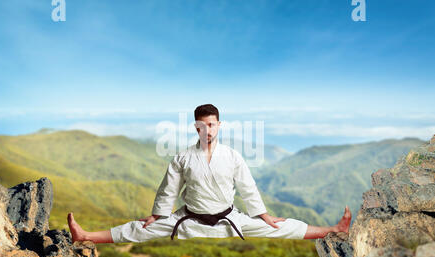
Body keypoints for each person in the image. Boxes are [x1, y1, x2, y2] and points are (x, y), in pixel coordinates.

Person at [67, 104, 351, 244]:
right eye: (203, 126)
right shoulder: (182, 157)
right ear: (196, 127)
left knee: (281, 226)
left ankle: (334, 230)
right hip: (188, 219)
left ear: (219, 125)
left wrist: (263, 215)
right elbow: (169, 189)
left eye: (213, 125)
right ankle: (85, 235)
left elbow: (248, 188)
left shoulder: (233, 156)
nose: (208, 130)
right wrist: (156, 214)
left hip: (229, 219)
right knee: (138, 229)